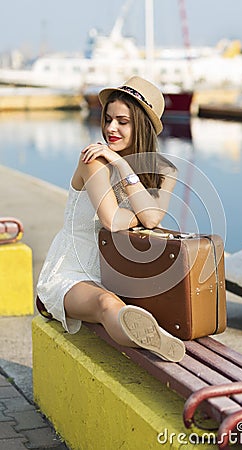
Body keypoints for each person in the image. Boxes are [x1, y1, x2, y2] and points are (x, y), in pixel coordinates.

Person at [37, 76, 185, 362]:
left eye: (122, 121)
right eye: (108, 119)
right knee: (107, 304)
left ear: (141, 126)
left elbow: (152, 218)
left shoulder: (165, 172)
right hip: (71, 274)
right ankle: (152, 341)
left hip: (120, 277)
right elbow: (114, 221)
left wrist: (122, 165)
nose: (110, 129)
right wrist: (141, 214)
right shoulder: (93, 160)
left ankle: (157, 335)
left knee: (137, 301)